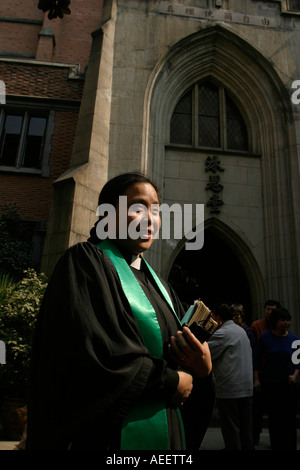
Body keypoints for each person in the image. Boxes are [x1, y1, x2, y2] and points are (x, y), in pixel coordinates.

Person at [26, 172, 212, 450]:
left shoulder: (160, 284)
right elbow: (94, 355)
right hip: (110, 435)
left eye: (156, 211)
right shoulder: (86, 263)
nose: (150, 219)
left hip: (168, 431)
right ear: (106, 215)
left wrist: (203, 364)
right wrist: (169, 380)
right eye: (138, 208)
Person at [207, 304, 254, 451]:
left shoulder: (223, 333)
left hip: (230, 389)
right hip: (245, 387)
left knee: (231, 428)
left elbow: (205, 352)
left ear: (219, 318)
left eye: (213, 317)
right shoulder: (240, 331)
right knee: (246, 428)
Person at [253, 307, 300, 450]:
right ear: (275, 322)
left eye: (288, 320)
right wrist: (256, 379)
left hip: (288, 384)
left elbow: (298, 362)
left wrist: (295, 376)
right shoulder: (265, 338)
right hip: (271, 383)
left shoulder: (294, 340)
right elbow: (256, 359)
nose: (286, 323)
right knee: (275, 417)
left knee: (289, 418)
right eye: (283, 320)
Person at [250, 299, 281, 444]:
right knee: (257, 409)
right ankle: (254, 436)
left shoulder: (281, 328)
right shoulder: (257, 326)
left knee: (276, 411)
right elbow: (255, 353)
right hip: (261, 372)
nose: (269, 312)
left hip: (276, 374)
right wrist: (255, 376)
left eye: (272, 310)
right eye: (267, 309)